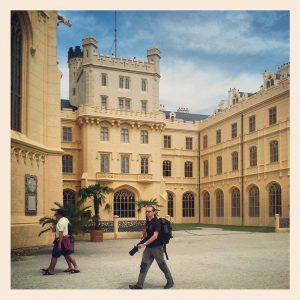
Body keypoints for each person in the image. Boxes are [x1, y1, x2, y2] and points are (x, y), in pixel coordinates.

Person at [129, 206, 174, 289]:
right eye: (146, 211)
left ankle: (170, 281)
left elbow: (155, 236)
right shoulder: (148, 222)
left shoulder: (156, 222)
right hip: (149, 248)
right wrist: (140, 243)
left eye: (149, 211)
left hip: (157, 248)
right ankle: (139, 285)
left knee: (162, 265)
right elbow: (148, 236)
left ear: (153, 212)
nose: (147, 213)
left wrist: (144, 244)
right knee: (143, 265)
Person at [41, 209, 80, 275]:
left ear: (59, 214)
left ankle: (51, 270)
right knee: (67, 254)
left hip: (60, 240)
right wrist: (68, 233)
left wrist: (59, 244)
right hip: (65, 239)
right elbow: (69, 225)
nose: (55, 216)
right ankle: (73, 267)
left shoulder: (60, 223)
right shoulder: (65, 219)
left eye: (56, 214)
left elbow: (61, 234)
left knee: (55, 255)